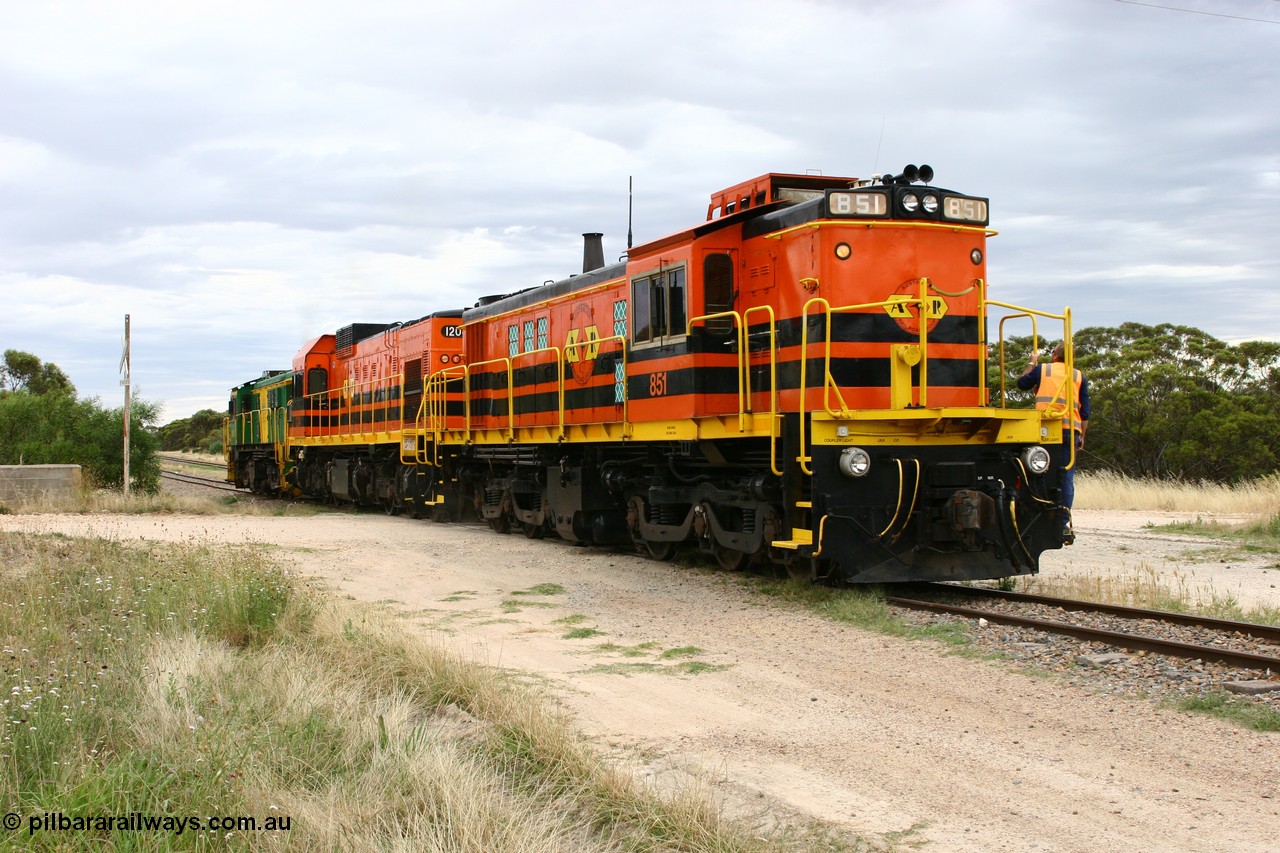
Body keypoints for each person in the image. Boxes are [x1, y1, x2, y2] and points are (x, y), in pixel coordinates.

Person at [1017, 342, 1089, 536]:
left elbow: (1022, 383)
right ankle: (1062, 522)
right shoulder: (1078, 375)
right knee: (1066, 476)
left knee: (1037, 473)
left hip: (1044, 430)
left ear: (1055, 355)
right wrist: (1082, 435)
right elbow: (1085, 411)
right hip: (1070, 431)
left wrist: (1032, 363)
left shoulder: (1043, 370)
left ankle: (1039, 515)